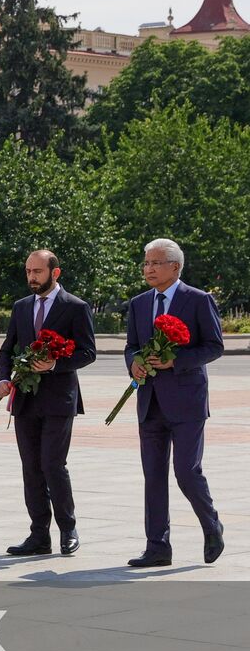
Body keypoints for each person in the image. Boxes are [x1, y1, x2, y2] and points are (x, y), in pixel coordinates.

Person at [124, 239, 225, 567]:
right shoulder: (139, 304)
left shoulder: (197, 300)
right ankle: (157, 547)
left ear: (175, 267)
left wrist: (175, 361)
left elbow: (214, 346)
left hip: (187, 402)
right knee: (153, 476)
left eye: (155, 263)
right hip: (150, 402)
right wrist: (134, 362)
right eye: (146, 263)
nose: (148, 268)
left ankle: (211, 525)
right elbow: (131, 346)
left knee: (186, 471)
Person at [0, 250, 96, 557]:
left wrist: (53, 365)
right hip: (25, 397)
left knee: (53, 464)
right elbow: (7, 348)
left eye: (37, 271)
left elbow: (87, 353)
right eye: (28, 271)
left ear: (55, 273)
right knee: (31, 468)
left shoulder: (75, 307)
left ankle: (68, 529)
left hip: (59, 399)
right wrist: (2, 378)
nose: (32, 277)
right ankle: (39, 535)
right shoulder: (21, 306)